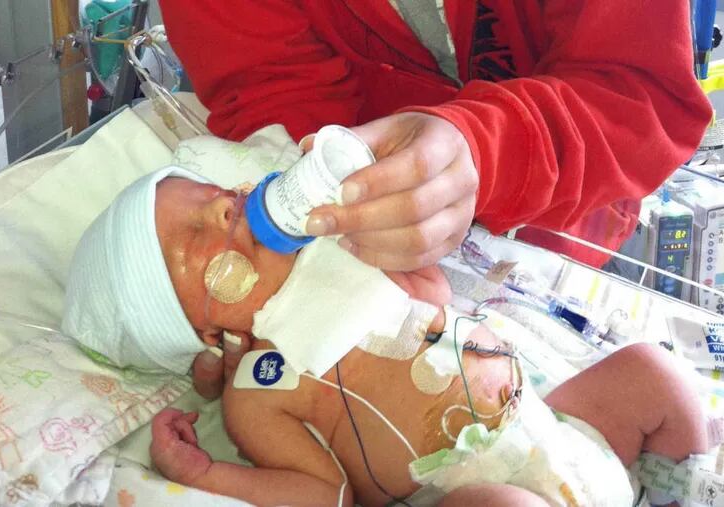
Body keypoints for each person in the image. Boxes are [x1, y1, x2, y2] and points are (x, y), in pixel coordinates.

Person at [63, 168, 707, 507]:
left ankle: (690, 487)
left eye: (211, 191)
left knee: (653, 371)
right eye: (192, 239)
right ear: (204, 331)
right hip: (469, 491)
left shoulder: (342, 254)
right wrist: (211, 475)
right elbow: (326, 494)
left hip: (563, 434)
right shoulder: (258, 393)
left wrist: (380, 249)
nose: (222, 206)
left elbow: (435, 296)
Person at [158, 0, 712, 273]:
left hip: (568, 227)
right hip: (375, 244)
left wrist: (484, 150)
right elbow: (275, 93)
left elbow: (642, 98)